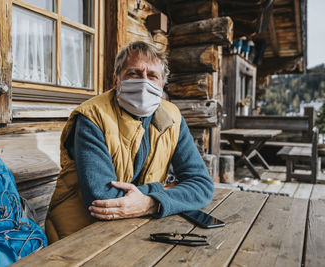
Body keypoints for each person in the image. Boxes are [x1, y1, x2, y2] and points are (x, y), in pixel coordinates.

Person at [45, 40, 214, 243]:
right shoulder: (92, 117)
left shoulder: (173, 118)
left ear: (161, 85)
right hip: (80, 232)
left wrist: (150, 202)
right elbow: (104, 199)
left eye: (152, 76)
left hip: (137, 227)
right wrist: (165, 189)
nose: (144, 82)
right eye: (134, 73)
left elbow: (202, 185)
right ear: (116, 80)